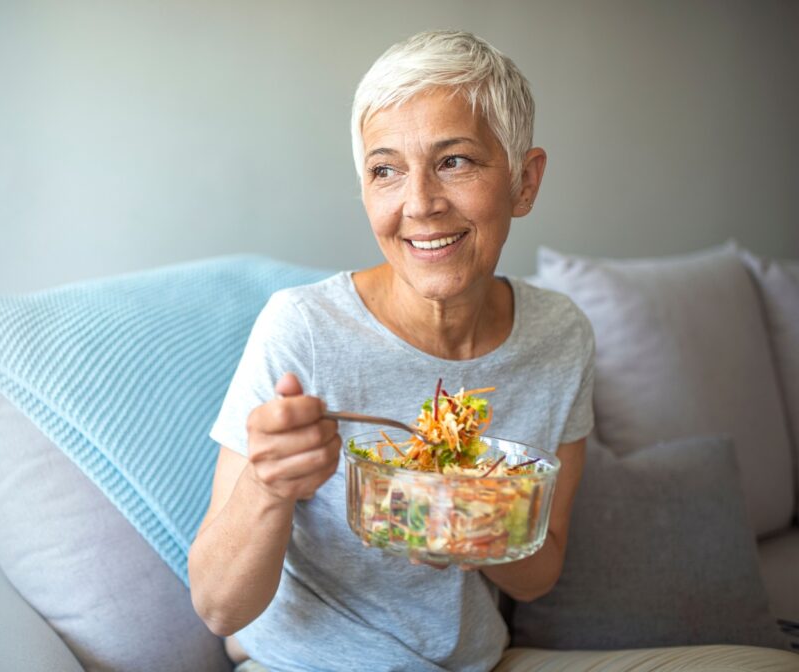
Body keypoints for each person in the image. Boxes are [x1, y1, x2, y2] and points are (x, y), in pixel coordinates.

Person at [188, 30, 594, 672]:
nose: (421, 204)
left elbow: (540, 575)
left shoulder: (560, 335)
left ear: (524, 180)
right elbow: (218, 608)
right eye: (386, 170)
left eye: (455, 160)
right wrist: (269, 485)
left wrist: (466, 521)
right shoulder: (303, 329)